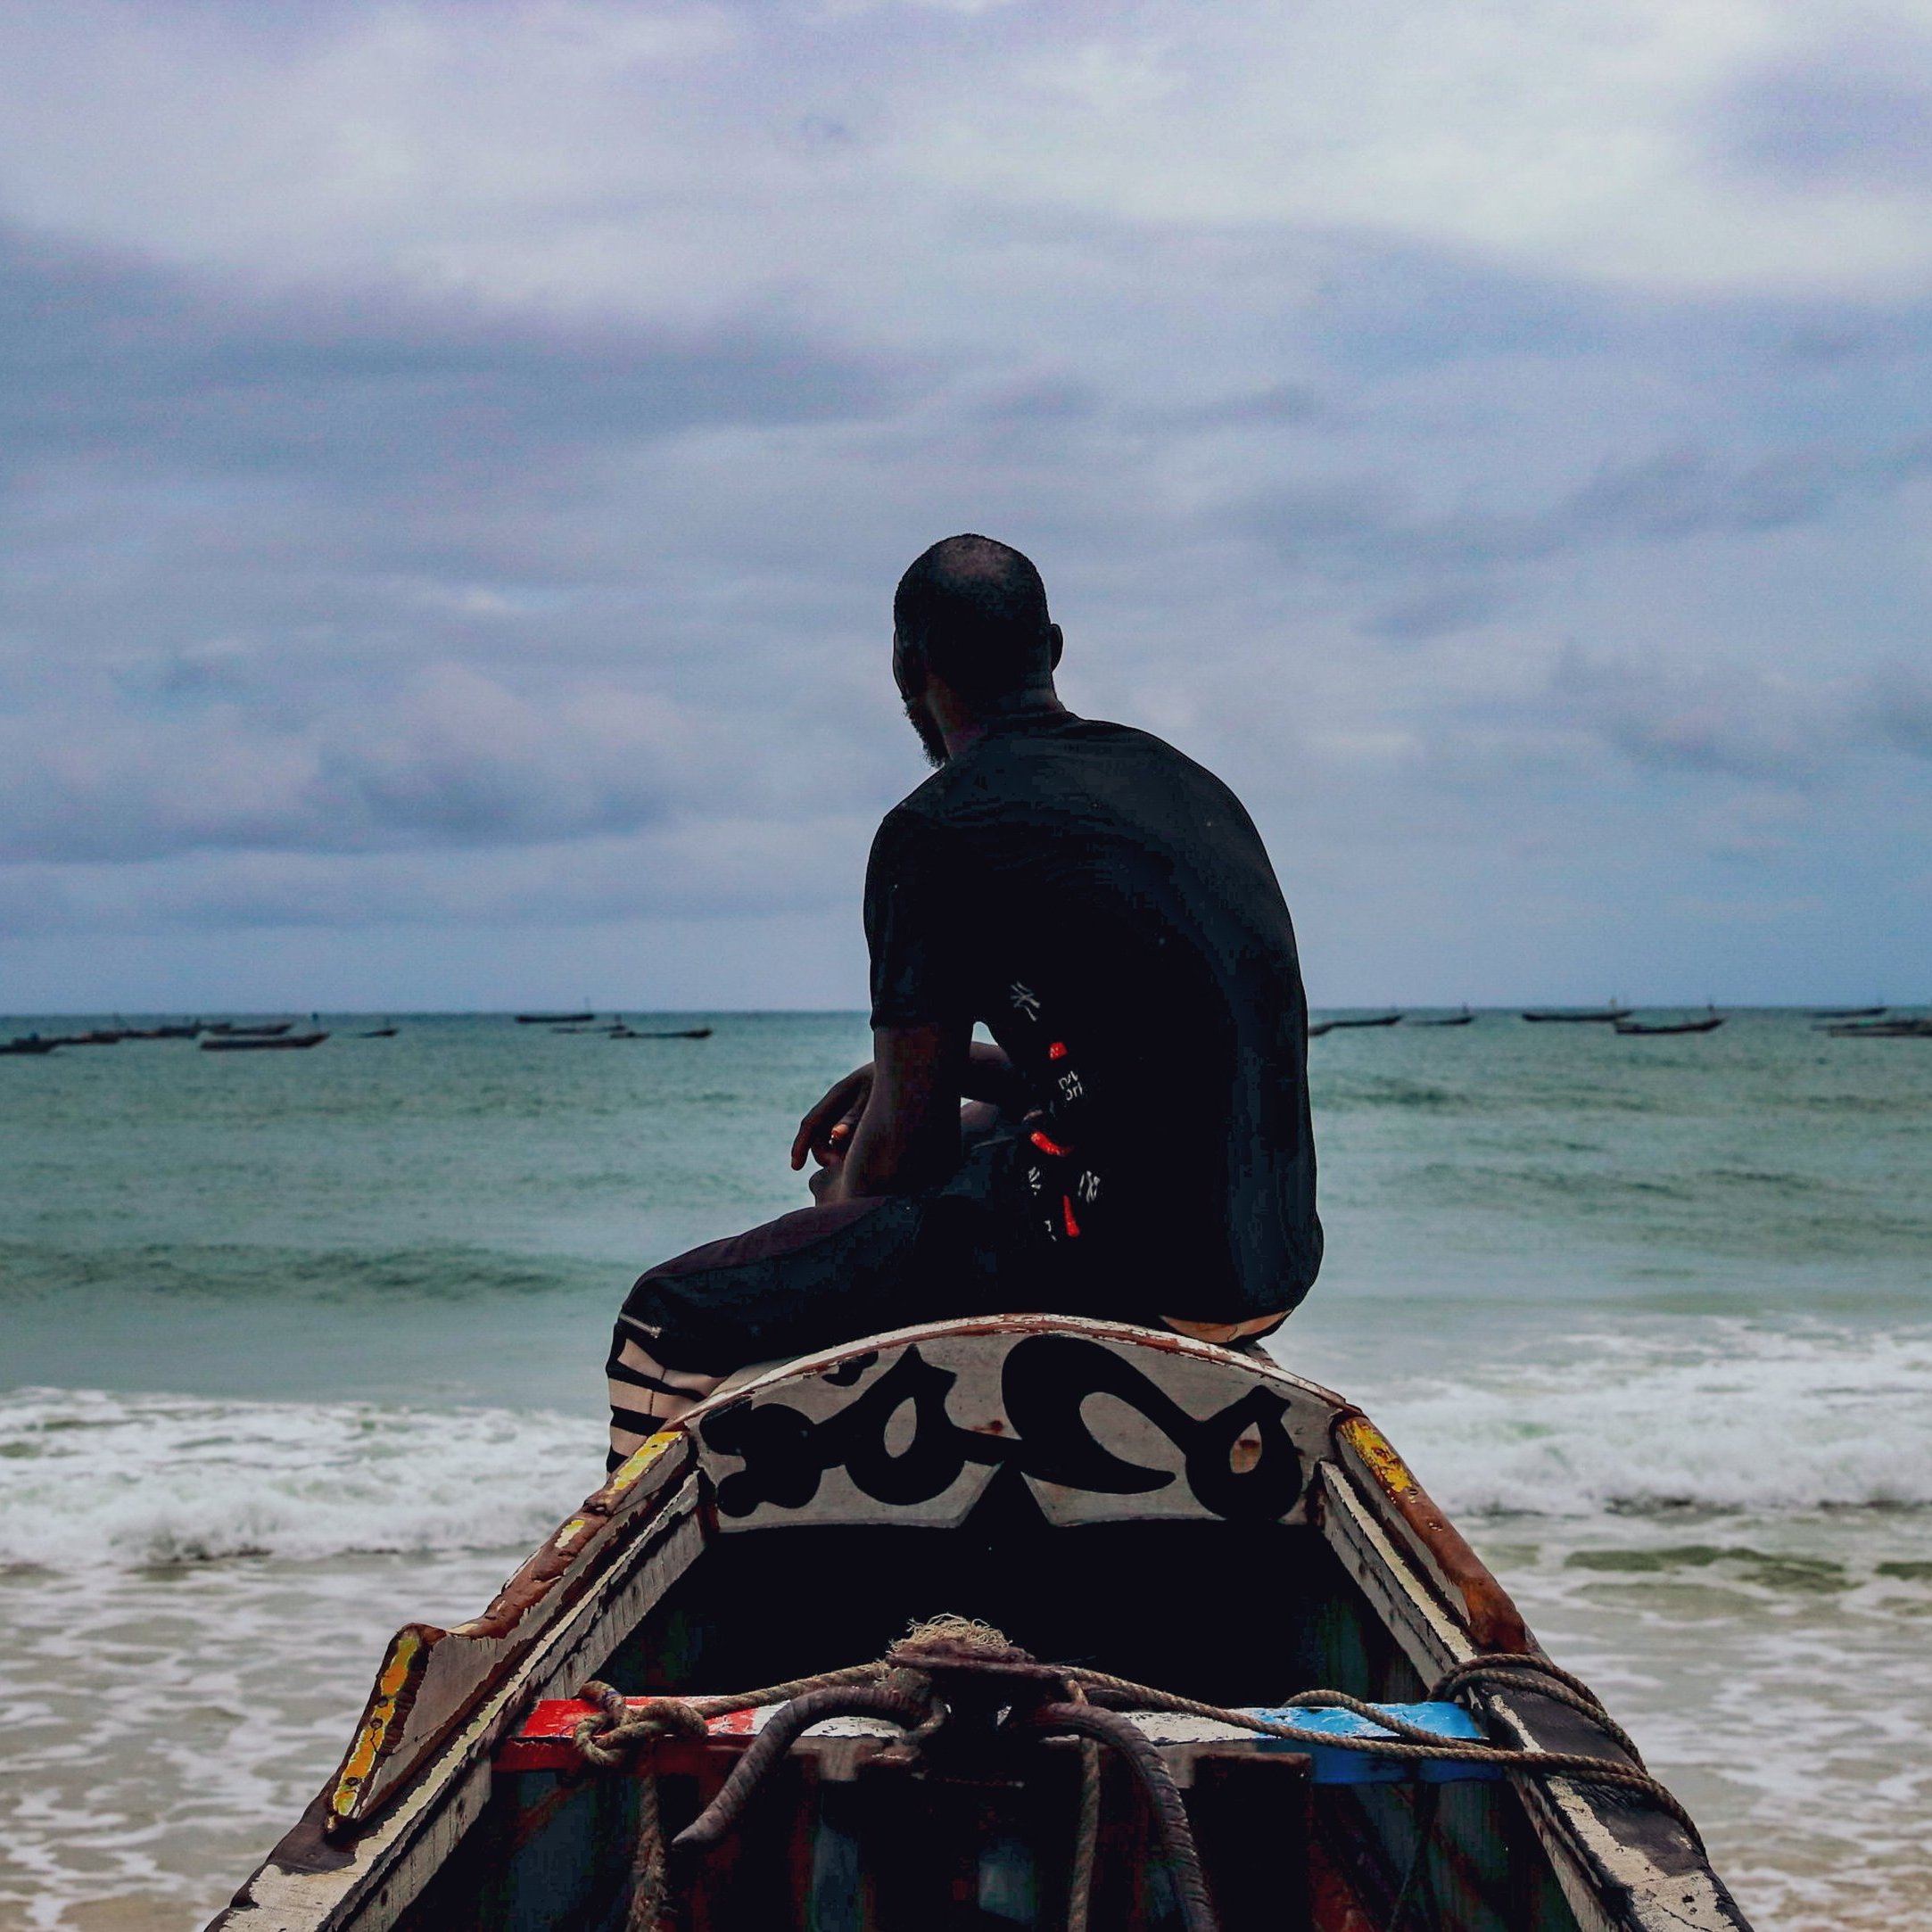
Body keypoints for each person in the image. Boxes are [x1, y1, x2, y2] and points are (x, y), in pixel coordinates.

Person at [606, 534, 1321, 1468]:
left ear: (908, 664)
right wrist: (933, 1074)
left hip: (1137, 1270)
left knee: (667, 1314)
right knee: (991, 1132)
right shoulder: (1185, 783)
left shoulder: (935, 829)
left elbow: (905, 1154)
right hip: (1269, 1259)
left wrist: (843, 1213)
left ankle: (606, 1574)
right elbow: (1160, 1053)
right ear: (1053, 649)